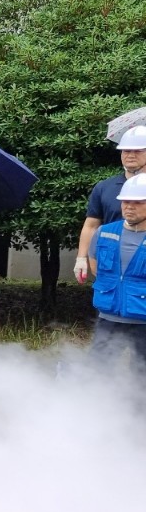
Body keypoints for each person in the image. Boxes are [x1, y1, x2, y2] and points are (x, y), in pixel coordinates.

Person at [87, 173, 146, 361]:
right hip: (109, 317)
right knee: (99, 372)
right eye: (125, 201)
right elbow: (96, 267)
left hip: (143, 320)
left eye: (138, 202)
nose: (129, 207)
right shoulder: (104, 232)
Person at [76, 125, 146, 283]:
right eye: (126, 150)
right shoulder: (104, 187)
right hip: (110, 262)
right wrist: (81, 258)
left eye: (138, 150)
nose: (130, 155)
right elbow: (91, 225)